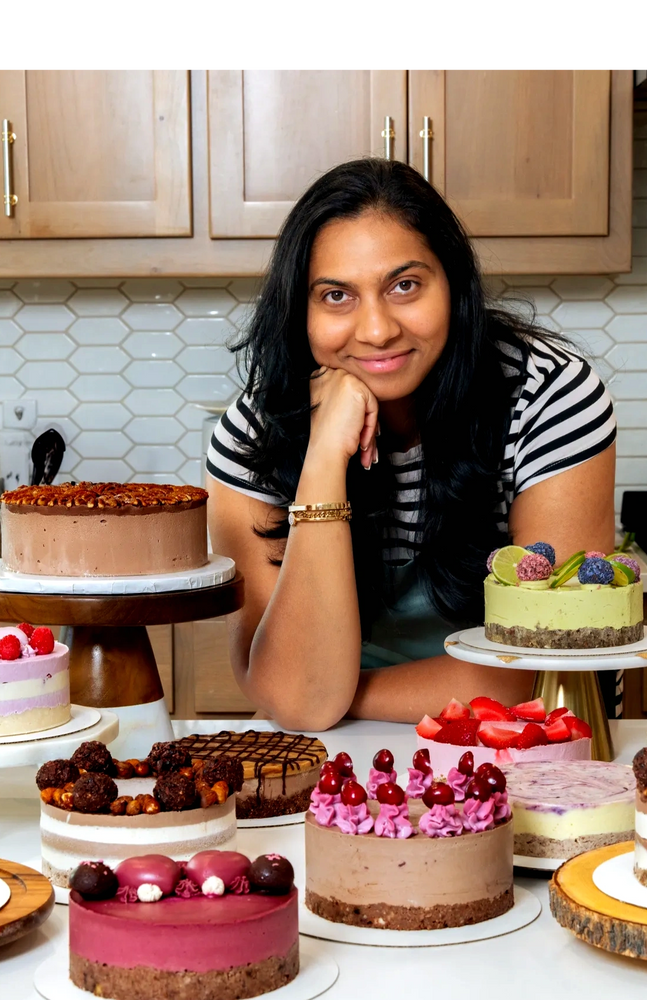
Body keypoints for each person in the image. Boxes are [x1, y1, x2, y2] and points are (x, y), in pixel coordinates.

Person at [206, 158, 617, 732]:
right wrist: (324, 457)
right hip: (335, 756)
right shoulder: (253, 433)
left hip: (518, 746)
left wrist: (332, 693)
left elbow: (539, 668)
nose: (376, 330)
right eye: (335, 296)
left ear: (452, 283)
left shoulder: (549, 397)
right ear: (298, 311)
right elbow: (291, 696)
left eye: (404, 286)